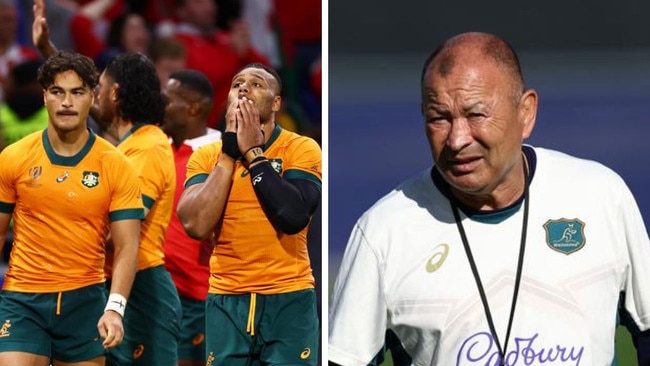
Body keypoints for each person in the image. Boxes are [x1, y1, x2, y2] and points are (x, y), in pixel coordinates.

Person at [328, 32, 650, 366]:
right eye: (439, 117)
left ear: (526, 112)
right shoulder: (382, 232)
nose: (456, 139)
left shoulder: (601, 195)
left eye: (476, 114)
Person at [0, 50, 143, 365]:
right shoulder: (13, 157)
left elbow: (127, 246)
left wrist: (115, 309)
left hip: (86, 302)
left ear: (93, 97)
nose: (67, 102)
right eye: (58, 92)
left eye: (77, 92)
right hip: (22, 299)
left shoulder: (117, 165)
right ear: (45, 97)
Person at [176, 63, 322, 365]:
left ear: (277, 103)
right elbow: (196, 224)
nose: (243, 87)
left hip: (288, 297)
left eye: (256, 84)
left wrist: (254, 154)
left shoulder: (301, 148)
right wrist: (229, 155)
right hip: (227, 300)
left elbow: (293, 216)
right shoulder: (207, 156)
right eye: (236, 83)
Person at [94, 52, 182, 366]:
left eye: (99, 88)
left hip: (142, 293)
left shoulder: (148, 148)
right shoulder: (130, 146)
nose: (95, 96)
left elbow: (116, 231)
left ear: (115, 93)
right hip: (117, 284)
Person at [161, 69, 221, 366]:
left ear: (194, 107)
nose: (161, 106)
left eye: (168, 100)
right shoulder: (161, 147)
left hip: (200, 295)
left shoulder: (220, 155)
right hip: (160, 293)